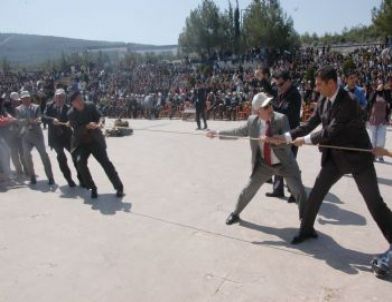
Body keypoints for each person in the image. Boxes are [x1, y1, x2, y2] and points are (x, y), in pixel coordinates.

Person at [272, 67, 392, 268]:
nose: (316, 88)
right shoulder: (323, 101)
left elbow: (330, 132)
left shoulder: (349, 102)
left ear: (331, 84)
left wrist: (304, 140)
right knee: (317, 192)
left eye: (319, 84)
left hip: (358, 159)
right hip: (335, 159)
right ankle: (306, 229)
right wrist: (284, 137)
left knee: (374, 202)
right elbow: (309, 125)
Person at [206, 92, 307, 225]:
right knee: (248, 190)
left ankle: (306, 223)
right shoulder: (252, 122)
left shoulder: (282, 119)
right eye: (265, 107)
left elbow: (288, 145)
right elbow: (237, 132)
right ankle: (235, 213)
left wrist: (272, 141)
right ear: (258, 111)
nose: (270, 108)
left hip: (285, 163)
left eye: (270, 104)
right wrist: (217, 133)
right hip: (265, 164)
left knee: (299, 191)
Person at [67, 91, 124, 199]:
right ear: (72, 104)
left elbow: (100, 116)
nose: (80, 101)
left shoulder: (90, 106)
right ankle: (92, 188)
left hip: (95, 140)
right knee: (80, 163)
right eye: (77, 100)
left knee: (106, 164)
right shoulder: (71, 114)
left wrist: (101, 122)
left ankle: (119, 187)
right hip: (81, 143)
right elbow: (76, 130)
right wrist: (87, 126)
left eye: (81, 98)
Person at [266, 70, 302, 203]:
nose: (278, 87)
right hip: (280, 132)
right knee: (277, 161)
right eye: (277, 85)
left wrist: (272, 109)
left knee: (290, 163)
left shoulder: (295, 95)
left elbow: (287, 113)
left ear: (288, 81)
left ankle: (295, 192)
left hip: (291, 133)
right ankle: (278, 189)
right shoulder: (282, 92)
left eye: (280, 84)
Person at [15, 91, 54, 185]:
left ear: (30, 98)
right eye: (24, 98)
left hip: (37, 135)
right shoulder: (18, 109)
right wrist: (28, 121)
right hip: (26, 135)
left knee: (44, 155)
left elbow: (39, 117)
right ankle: (32, 176)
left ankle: (50, 177)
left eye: (27, 98)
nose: (26, 100)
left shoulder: (36, 107)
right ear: (21, 99)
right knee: (26, 155)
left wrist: (36, 120)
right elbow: (18, 121)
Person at [43, 89, 80, 187]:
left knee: (76, 157)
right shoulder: (49, 106)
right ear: (54, 98)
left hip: (67, 137)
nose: (60, 99)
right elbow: (43, 117)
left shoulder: (69, 108)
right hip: (55, 138)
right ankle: (69, 179)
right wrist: (52, 120)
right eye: (58, 97)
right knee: (61, 157)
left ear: (65, 98)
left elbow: (76, 119)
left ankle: (81, 178)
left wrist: (71, 122)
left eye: (62, 97)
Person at [366, 83, 390, 162]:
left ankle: (380, 155)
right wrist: (376, 91)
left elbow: (389, 104)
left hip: (383, 119)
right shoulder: (373, 93)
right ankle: (372, 155)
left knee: (381, 139)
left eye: (382, 84)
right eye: (379, 84)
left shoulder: (386, 94)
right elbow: (369, 101)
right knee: (372, 139)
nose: (381, 85)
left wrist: (388, 116)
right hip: (373, 119)